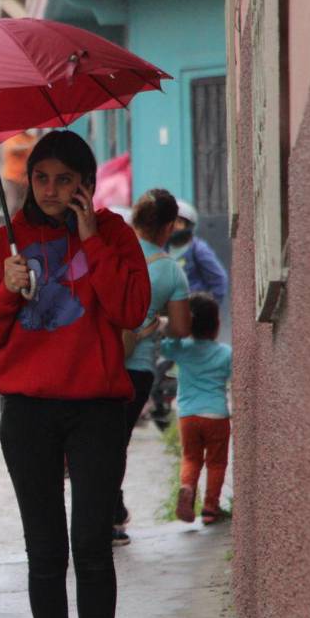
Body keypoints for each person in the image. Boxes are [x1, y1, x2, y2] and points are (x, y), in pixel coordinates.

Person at [0, 130, 151, 618]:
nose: (50, 189)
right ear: (27, 181)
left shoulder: (115, 234)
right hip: (27, 413)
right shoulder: (3, 244)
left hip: (96, 408)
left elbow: (132, 309)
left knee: (92, 542)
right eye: (41, 178)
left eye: (64, 179)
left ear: (85, 184)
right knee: (45, 549)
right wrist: (4, 290)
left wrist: (91, 241)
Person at [113, 189, 191, 546]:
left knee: (95, 440)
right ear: (168, 227)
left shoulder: (112, 255)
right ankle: (110, 516)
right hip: (137, 368)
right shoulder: (170, 272)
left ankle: (108, 511)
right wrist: (153, 325)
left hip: (98, 361)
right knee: (117, 443)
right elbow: (179, 328)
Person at [162, 293, 232, 525]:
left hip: (188, 415)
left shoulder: (183, 350)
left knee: (191, 458)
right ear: (216, 325)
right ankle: (211, 508)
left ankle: (187, 487)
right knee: (216, 462)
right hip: (216, 415)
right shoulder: (225, 353)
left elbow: (166, 345)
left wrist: (176, 328)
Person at [167, 201, 228, 305]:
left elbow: (219, 280)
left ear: (188, 226)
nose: (174, 226)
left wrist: (208, 310)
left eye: (179, 222)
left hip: (192, 312)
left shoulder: (198, 249)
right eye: (171, 221)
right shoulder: (162, 248)